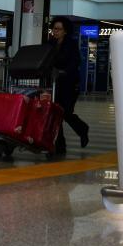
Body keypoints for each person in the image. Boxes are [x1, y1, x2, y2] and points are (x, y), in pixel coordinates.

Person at [49, 17, 89, 154]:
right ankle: (60, 146)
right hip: (55, 83)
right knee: (55, 114)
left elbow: (75, 61)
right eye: (54, 28)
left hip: (69, 83)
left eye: (58, 29)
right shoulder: (50, 43)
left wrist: (64, 71)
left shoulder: (71, 44)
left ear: (65, 31)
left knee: (65, 112)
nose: (55, 31)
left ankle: (82, 129)